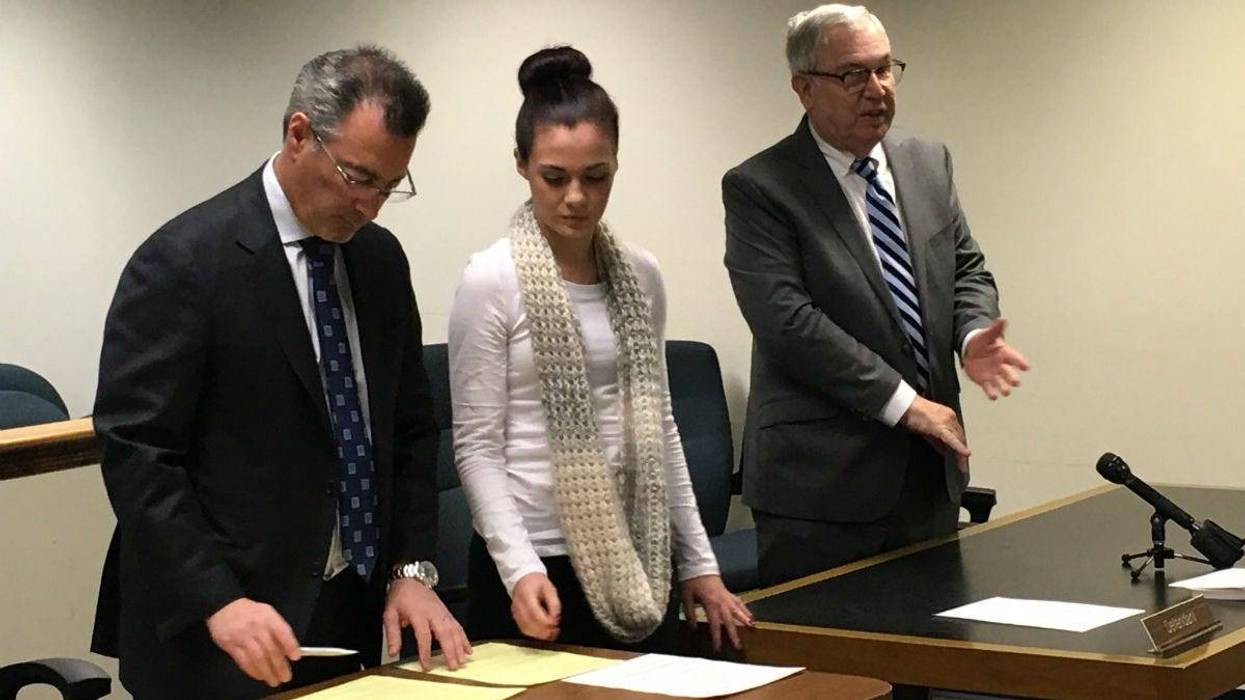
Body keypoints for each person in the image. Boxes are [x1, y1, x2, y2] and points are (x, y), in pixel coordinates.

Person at [90, 46, 470, 699]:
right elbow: (139, 454)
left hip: (347, 610)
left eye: (389, 185)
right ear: (299, 135)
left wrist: (411, 569)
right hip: (219, 623)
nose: (370, 205)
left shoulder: (377, 261)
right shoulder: (186, 261)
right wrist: (218, 600)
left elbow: (410, 430)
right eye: (357, 177)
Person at [449, 45, 752, 654]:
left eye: (596, 176)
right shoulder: (491, 280)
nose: (576, 198)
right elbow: (477, 448)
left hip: (636, 553)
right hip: (532, 568)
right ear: (521, 165)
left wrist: (698, 561)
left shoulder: (640, 274)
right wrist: (519, 568)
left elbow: (660, 425)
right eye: (554, 177)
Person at [723, 4, 1030, 588]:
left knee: (932, 659)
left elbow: (965, 267)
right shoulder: (761, 187)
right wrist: (906, 404)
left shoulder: (927, 163)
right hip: (819, 493)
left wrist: (969, 335)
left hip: (928, 474)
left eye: (886, 69)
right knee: (833, 674)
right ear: (804, 88)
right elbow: (787, 323)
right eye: (853, 75)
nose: (877, 89)